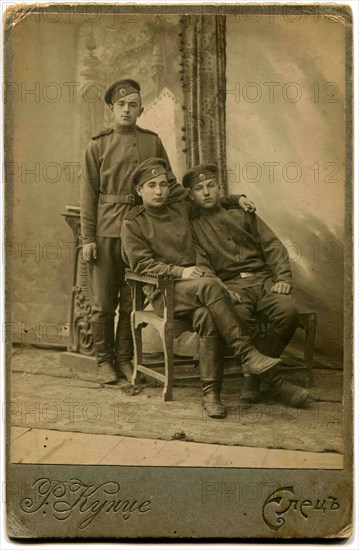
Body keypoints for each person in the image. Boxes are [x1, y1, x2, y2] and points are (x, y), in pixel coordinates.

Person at [121, 158, 309, 418]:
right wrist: (180, 271)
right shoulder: (133, 223)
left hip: (201, 289)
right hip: (168, 290)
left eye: (163, 184)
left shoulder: (180, 208)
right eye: (151, 185)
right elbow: (141, 264)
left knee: (208, 316)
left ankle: (211, 395)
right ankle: (253, 360)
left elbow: (210, 198)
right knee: (210, 286)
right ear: (139, 190)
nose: (159, 191)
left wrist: (238, 198)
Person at [80, 78, 184, 384]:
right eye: (121, 105)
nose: (127, 110)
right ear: (112, 109)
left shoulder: (152, 141)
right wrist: (87, 239)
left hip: (140, 233)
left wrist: (226, 201)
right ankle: (103, 361)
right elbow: (87, 196)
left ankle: (125, 360)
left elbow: (172, 184)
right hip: (107, 232)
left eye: (133, 105)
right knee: (103, 303)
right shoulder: (97, 145)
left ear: (140, 110)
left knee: (131, 302)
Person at [183, 162, 302, 404]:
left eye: (211, 186)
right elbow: (202, 265)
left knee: (288, 313)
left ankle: (253, 379)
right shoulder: (193, 227)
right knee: (239, 318)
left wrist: (283, 279)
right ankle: (261, 379)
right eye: (199, 188)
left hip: (263, 281)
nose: (206, 192)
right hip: (231, 287)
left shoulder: (242, 212)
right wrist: (222, 288)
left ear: (219, 188)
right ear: (191, 195)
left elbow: (272, 246)